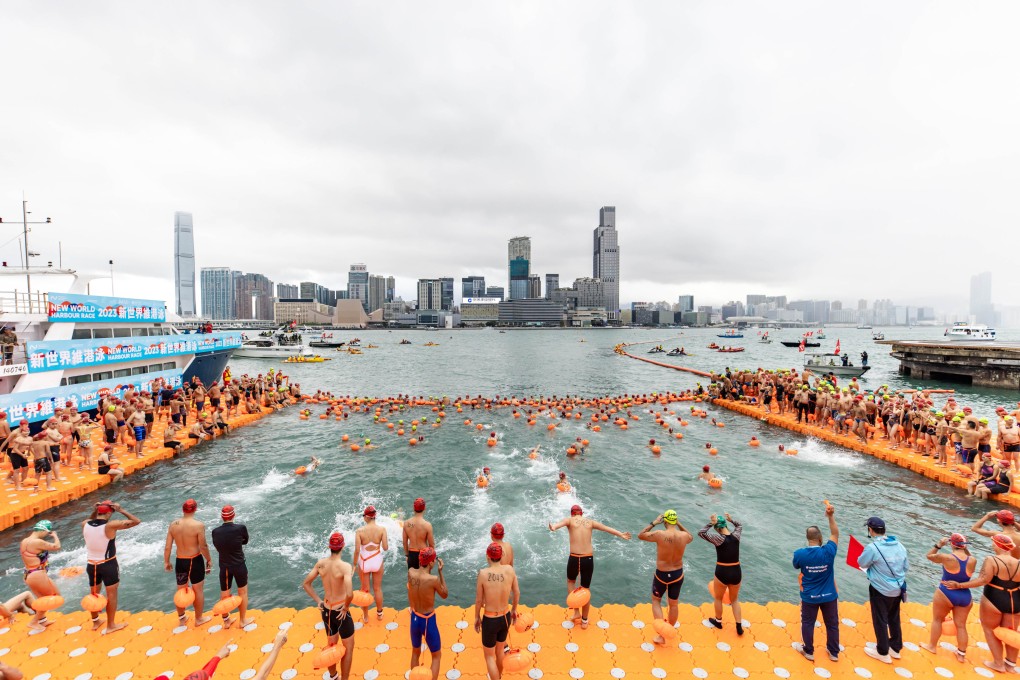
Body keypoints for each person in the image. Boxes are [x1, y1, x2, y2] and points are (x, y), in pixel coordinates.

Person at [942, 533, 1020, 672]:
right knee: (1011, 631)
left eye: (993, 543)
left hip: (993, 597)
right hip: (1015, 600)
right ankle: (1011, 664)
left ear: (997, 545)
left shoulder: (991, 560)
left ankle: (998, 663)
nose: (992, 545)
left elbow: (982, 580)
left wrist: (959, 586)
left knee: (989, 630)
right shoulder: (1019, 562)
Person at [548, 504, 631, 628]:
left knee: (571, 582)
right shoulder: (590, 522)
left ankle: (576, 611)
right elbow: (606, 528)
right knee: (585, 589)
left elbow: (556, 525)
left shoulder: (569, 520)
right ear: (581, 513)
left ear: (572, 513)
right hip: (588, 558)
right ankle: (584, 621)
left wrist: (553, 527)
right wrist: (621, 534)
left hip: (574, 558)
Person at [302, 532, 355, 680]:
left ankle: (333, 676)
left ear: (329, 546)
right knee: (348, 649)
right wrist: (345, 607)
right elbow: (350, 593)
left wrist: (319, 601)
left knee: (331, 645)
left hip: (327, 610)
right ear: (343, 546)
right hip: (340, 611)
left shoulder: (321, 564)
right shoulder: (345, 566)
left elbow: (306, 584)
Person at [83, 500, 141, 633]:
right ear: (109, 512)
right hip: (108, 564)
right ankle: (111, 625)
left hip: (92, 565)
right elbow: (136, 521)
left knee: (94, 594)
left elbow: (92, 520)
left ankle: (95, 621)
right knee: (112, 595)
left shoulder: (85, 524)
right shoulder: (110, 526)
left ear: (97, 511)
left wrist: (95, 510)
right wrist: (121, 510)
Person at [792, 503, 839, 662]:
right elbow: (835, 534)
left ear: (807, 538)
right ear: (820, 538)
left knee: (808, 623)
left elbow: (796, 566)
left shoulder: (800, 554)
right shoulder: (829, 551)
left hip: (809, 596)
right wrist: (831, 516)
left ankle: (809, 651)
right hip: (829, 595)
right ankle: (833, 653)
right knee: (832, 624)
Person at [858, 516, 909, 664]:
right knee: (894, 618)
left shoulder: (873, 548)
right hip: (898, 589)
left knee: (880, 619)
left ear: (870, 530)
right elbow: (905, 567)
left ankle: (882, 651)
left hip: (880, 589)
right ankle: (896, 648)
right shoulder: (900, 545)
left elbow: (861, 562)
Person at [638, 509, 692, 645]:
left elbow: (641, 535)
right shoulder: (684, 536)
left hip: (662, 574)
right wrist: (679, 524)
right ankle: (667, 632)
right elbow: (691, 536)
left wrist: (654, 523)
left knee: (656, 601)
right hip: (678, 574)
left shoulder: (659, 534)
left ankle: (661, 634)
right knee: (673, 604)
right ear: (675, 520)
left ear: (665, 521)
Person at [920, 533, 975, 662]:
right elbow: (968, 555)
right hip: (965, 594)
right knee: (961, 626)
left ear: (951, 544)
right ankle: (961, 655)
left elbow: (929, 556)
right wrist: (964, 545)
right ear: (964, 545)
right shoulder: (973, 560)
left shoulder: (947, 557)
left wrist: (939, 545)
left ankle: (932, 646)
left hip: (946, 593)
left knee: (937, 620)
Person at [473, 543, 520, 680]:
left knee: (489, 657)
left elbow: (478, 600)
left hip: (490, 619)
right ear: (502, 555)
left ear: (487, 556)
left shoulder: (483, 574)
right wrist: (514, 610)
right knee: (500, 652)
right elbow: (516, 593)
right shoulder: (510, 570)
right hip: (505, 616)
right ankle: (498, 676)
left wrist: (476, 617)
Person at [164, 498, 213, 627]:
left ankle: (182, 618)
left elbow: (168, 546)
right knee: (198, 590)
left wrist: (166, 561)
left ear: (183, 510)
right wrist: (208, 559)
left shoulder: (173, 524)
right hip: (194, 560)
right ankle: (198, 619)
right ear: (195, 509)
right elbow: (203, 546)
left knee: (181, 590)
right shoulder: (198, 525)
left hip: (180, 560)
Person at [699, 513, 744, 634]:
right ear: (725, 525)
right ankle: (739, 626)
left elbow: (701, 533)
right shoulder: (736, 535)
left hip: (722, 571)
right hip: (736, 571)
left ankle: (718, 622)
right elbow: (739, 525)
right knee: (734, 600)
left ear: (718, 528)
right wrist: (731, 519)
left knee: (718, 598)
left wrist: (710, 524)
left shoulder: (718, 538)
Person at [408, 547, 448, 680]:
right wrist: (440, 573)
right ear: (431, 563)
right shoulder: (433, 579)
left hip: (414, 617)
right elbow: (444, 594)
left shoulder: (411, 572)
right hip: (427, 620)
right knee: (436, 656)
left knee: (415, 652)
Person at [212, 505, 254, 629]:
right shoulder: (240, 528)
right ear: (233, 515)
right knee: (243, 592)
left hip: (224, 567)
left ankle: (226, 621)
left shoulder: (215, 531)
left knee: (224, 594)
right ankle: (242, 621)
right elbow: (245, 541)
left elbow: (217, 545)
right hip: (239, 565)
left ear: (222, 517)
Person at [20, 520, 61, 631]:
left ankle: (43, 620)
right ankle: (33, 622)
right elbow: (57, 546)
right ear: (43, 530)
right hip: (37, 574)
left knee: (41, 599)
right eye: (47, 533)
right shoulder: (37, 542)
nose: (46, 535)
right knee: (54, 596)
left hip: (29, 574)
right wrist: (55, 536)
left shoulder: (25, 541)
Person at [354, 505, 388, 621]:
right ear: (375, 516)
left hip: (364, 562)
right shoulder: (382, 529)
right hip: (376, 560)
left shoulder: (359, 531)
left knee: (365, 590)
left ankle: (366, 616)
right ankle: (379, 614)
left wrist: (354, 565)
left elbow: (357, 550)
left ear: (366, 517)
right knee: (377, 589)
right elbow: (386, 547)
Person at [403, 498, 434, 569]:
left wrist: (407, 556)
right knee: (424, 578)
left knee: (412, 578)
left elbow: (404, 542)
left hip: (411, 554)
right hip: (424, 555)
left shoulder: (406, 523)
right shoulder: (427, 525)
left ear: (413, 508)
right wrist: (431, 559)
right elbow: (431, 545)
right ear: (424, 508)